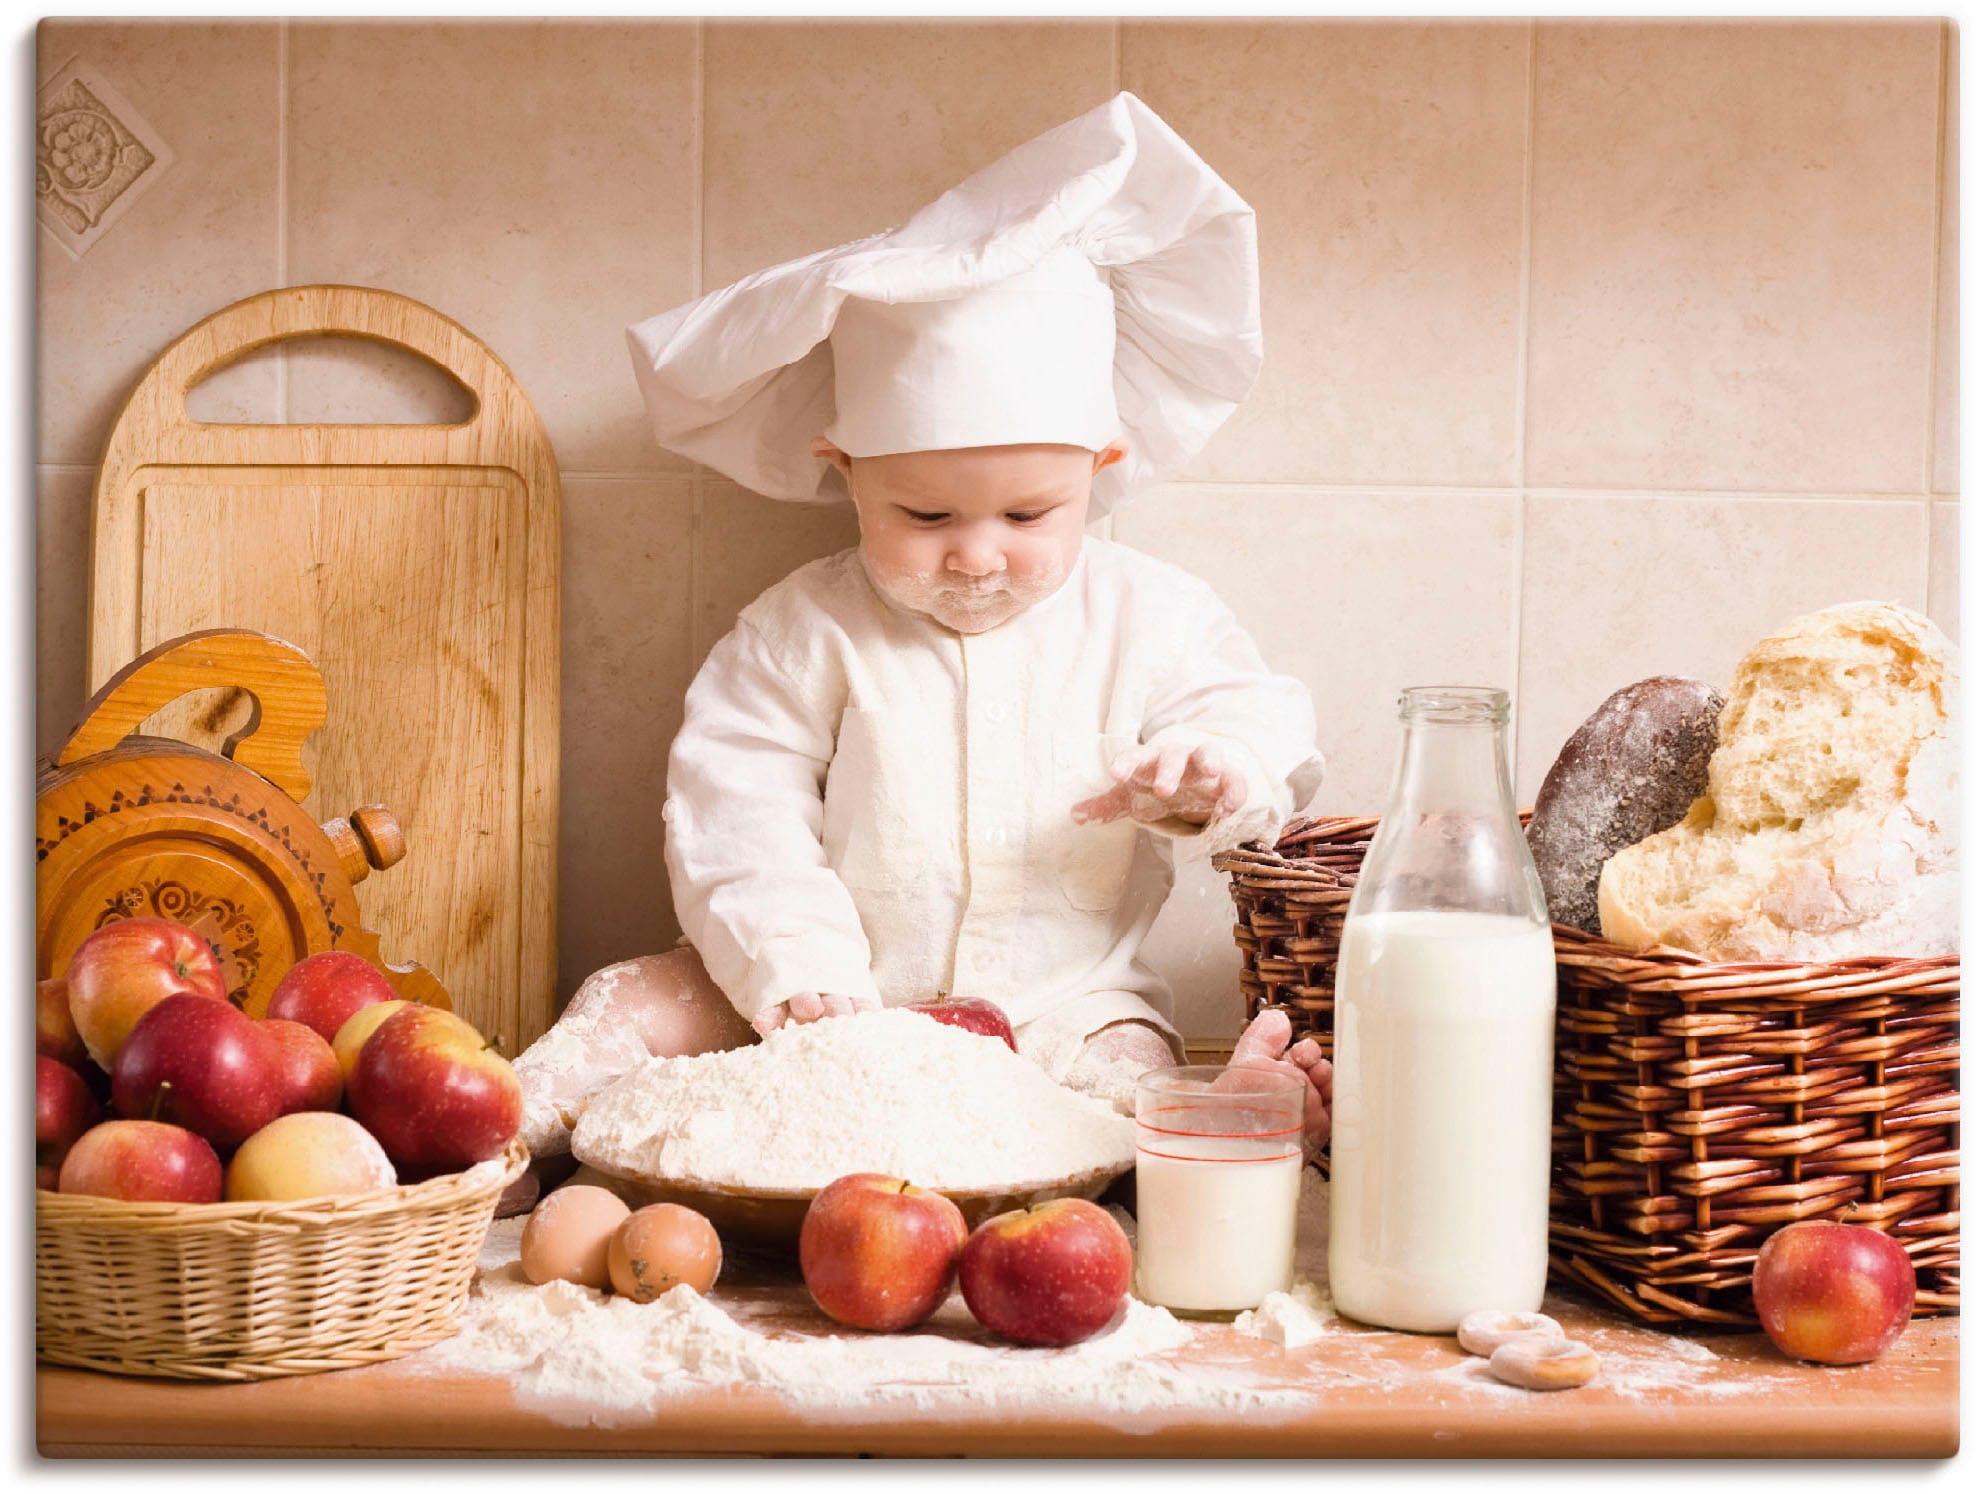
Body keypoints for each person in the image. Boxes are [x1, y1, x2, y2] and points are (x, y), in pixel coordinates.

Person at [513, 92, 1332, 1173]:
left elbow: (1257, 713)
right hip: (820, 1002)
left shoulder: (1153, 615)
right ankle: (491, 1139)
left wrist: (1214, 768)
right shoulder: (801, 631)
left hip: (1061, 1007)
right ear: (845, 474)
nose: (977, 555)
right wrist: (795, 968)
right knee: (630, 998)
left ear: (1102, 470)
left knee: (1122, 1072)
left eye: (1028, 515)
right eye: (926, 516)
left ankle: (1217, 1121)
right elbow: (732, 809)